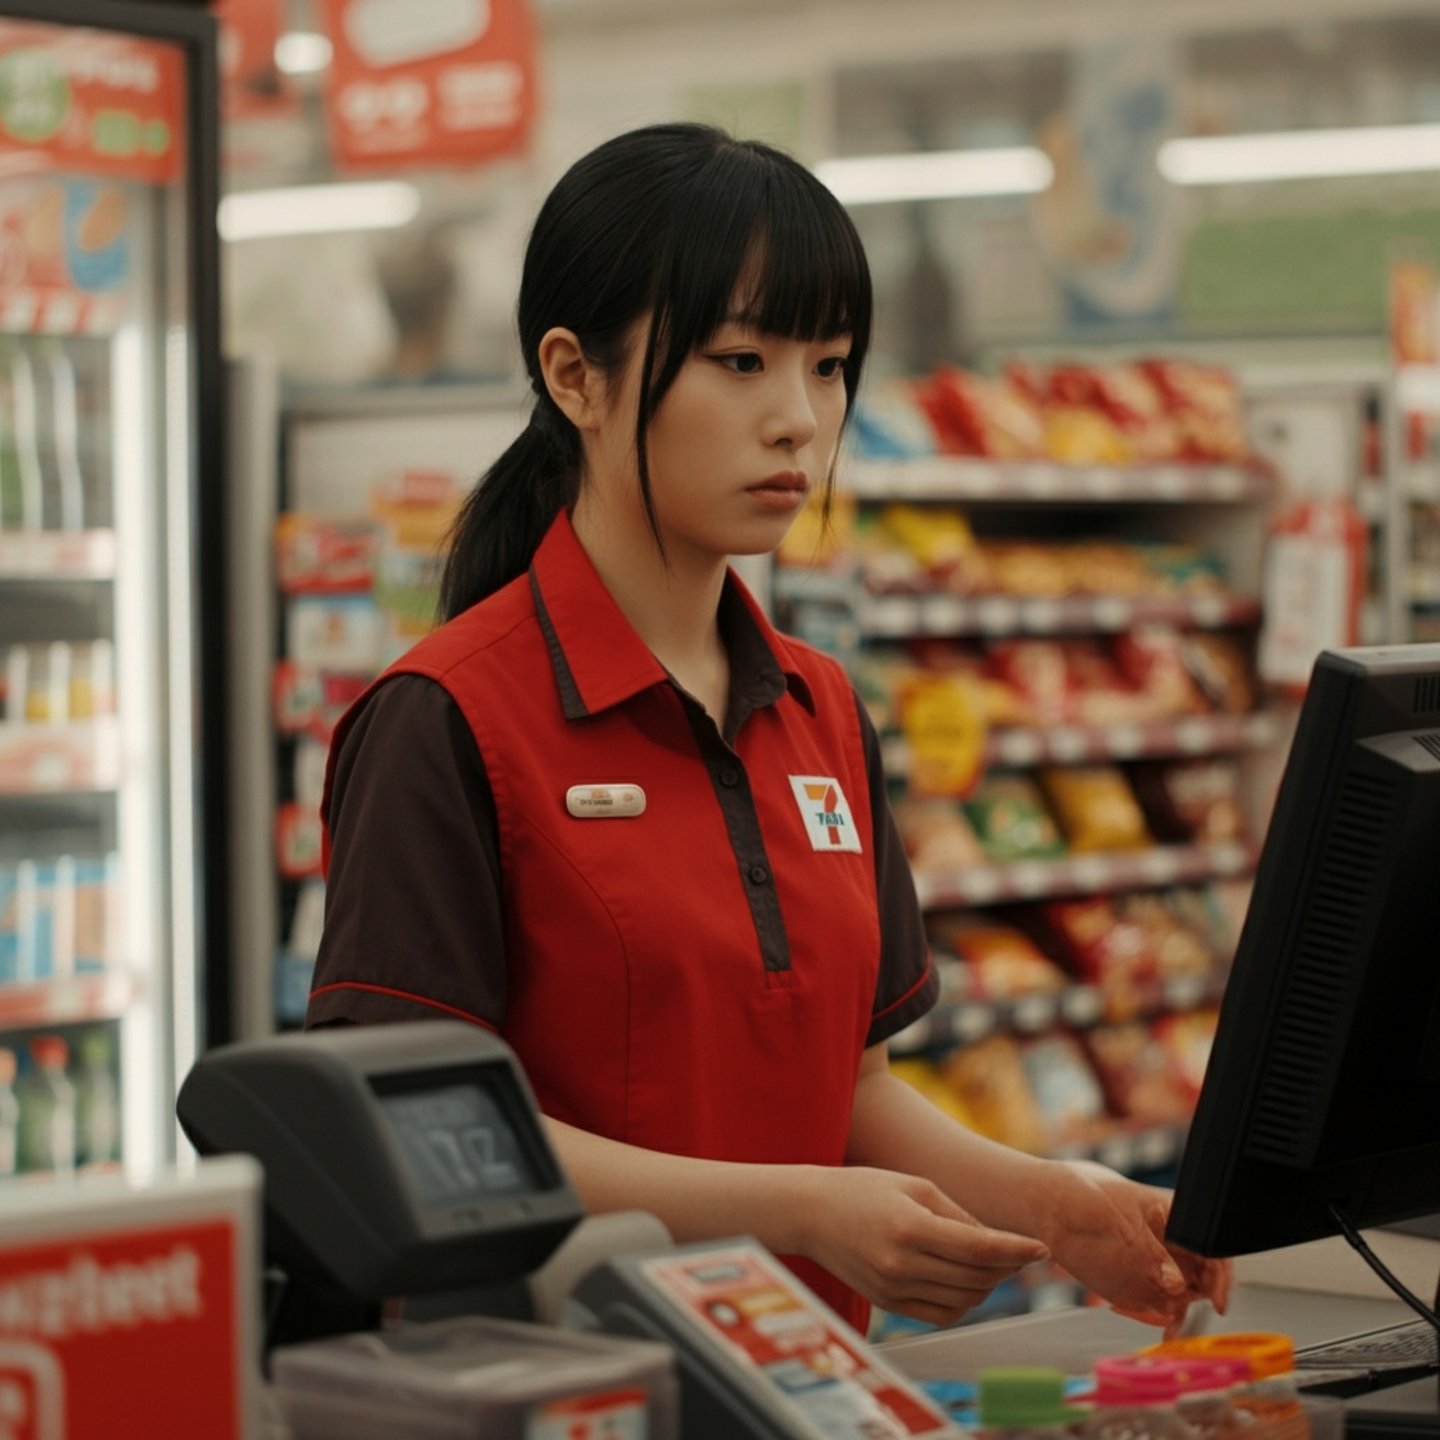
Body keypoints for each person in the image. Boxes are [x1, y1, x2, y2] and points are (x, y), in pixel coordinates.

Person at [306, 121, 1230, 1339]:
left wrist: (1052, 1206)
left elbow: (845, 1089)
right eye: (741, 361)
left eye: (831, 365)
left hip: (806, 1384)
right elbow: (419, 1124)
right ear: (576, 376)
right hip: (567, 1394)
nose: (800, 418)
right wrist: (798, 1211)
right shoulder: (447, 720)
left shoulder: (822, 711)